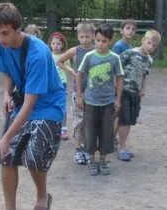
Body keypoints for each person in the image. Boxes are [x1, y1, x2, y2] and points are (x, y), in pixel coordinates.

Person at [0, 2, 66, 210]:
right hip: (25, 101)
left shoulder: (39, 53)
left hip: (48, 104)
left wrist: (5, 137)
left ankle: (42, 197)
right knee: (8, 155)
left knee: (34, 153)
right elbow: (8, 71)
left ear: (17, 28)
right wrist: (5, 94)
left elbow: (31, 105)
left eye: (5, 33)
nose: (1, 39)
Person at [77, 23, 124, 175]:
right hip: (90, 102)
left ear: (110, 41)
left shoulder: (114, 58)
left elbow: (119, 79)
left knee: (106, 132)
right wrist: (79, 95)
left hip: (108, 102)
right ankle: (91, 160)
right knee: (90, 132)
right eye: (98, 40)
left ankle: (102, 161)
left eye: (104, 41)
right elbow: (79, 75)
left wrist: (118, 99)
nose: (100, 44)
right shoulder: (89, 56)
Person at [116, 29, 161, 161]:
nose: (151, 47)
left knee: (128, 120)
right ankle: (121, 148)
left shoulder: (149, 60)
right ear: (143, 41)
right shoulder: (130, 53)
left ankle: (115, 144)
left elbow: (144, 75)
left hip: (135, 93)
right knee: (124, 120)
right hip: (124, 91)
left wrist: (143, 89)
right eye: (149, 43)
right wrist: (115, 84)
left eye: (154, 46)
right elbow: (116, 65)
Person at [56, 21, 96, 164]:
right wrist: (71, 70)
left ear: (93, 36)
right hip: (79, 91)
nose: (84, 40)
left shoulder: (98, 50)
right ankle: (78, 150)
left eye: (87, 36)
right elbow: (59, 61)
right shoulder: (75, 50)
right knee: (79, 121)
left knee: (90, 122)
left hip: (94, 92)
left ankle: (87, 149)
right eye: (81, 37)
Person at [49, 31, 70, 139]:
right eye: (53, 43)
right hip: (50, 84)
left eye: (58, 44)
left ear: (62, 45)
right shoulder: (47, 55)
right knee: (50, 105)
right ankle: (52, 127)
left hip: (62, 83)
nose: (55, 46)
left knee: (62, 106)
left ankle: (64, 128)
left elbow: (66, 71)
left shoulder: (64, 56)